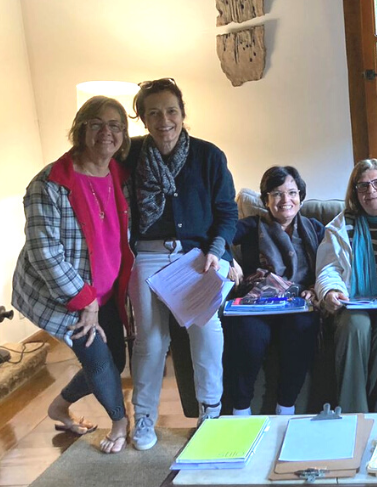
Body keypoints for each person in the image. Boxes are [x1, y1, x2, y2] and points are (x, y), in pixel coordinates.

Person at [12, 96, 133, 454]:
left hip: (105, 291)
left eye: (115, 125)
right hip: (64, 292)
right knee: (98, 358)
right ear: (80, 129)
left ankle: (59, 407)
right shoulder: (49, 184)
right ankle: (120, 423)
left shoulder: (118, 173)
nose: (106, 132)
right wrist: (85, 301)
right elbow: (45, 253)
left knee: (116, 359)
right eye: (96, 124)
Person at [125, 78, 238, 450]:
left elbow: (227, 213)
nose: (164, 121)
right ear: (143, 118)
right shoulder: (129, 155)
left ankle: (211, 411)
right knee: (150, 339)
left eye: (171, 111)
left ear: (182, 113)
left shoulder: (208, 155)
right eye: (154, 113)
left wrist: (216, 250)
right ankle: (144, 417)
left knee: (206, 328)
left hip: (196, 257)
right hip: (148, 255)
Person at [315, 159, 377, 412]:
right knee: (356, 325)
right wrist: (331, 290)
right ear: (355, 192)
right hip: (352, 303)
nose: (371, 191)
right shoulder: (339, 227)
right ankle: (353, 411)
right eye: (362, 186)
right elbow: (329, 268)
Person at [223, 166, 324, 416]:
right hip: (257, 302)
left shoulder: (315, 229)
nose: (285, 200)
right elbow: (219, 238)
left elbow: (328, 266)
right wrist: (228, 259)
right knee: (248, 335)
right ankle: (241, 411)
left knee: (303, 328)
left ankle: (285, 408)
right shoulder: (251, 226)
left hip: (298, 303)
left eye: (292, 192)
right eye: (277, 193)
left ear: (301, 196)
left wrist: (315, 288)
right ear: (265, 199)